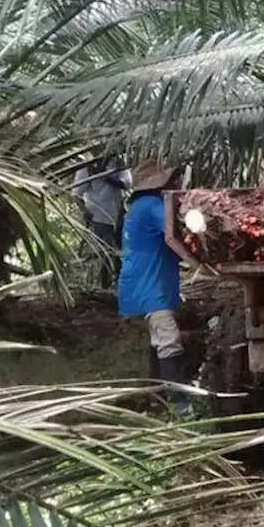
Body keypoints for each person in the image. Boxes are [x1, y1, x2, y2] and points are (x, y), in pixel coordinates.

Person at [118, 160, 193, 417]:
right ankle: (180, 404)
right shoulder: (152, 207)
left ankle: (156, 398)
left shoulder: (137, 208)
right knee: (168, 341)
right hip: (150, 284)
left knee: (157, 342)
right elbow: (176, 234)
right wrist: (198, 263)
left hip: (139, 281)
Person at [72, 156, 132, 288]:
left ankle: (121, 282)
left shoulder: (118, 161)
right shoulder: (87, 167)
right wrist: (86, 212)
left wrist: (105, 177)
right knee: (105, 251)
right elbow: (76, 194)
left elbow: (127, 184)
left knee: (122, 249)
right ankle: (104, 284)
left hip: (119, 214)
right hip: (98, 215)